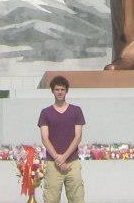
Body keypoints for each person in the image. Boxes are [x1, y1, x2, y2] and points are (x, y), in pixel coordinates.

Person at [38, 75, 85, 203]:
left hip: (72, 163)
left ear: (67, 91)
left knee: (77, 199)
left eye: (62, 89)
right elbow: (44, 138)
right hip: (52, 163)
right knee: (51, 199)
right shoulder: (45, 112)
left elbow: (78, 137)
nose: (60, 92)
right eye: (57, 89)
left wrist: (64, 157)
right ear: (52, 91)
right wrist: (58, 160)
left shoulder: (76, 111)